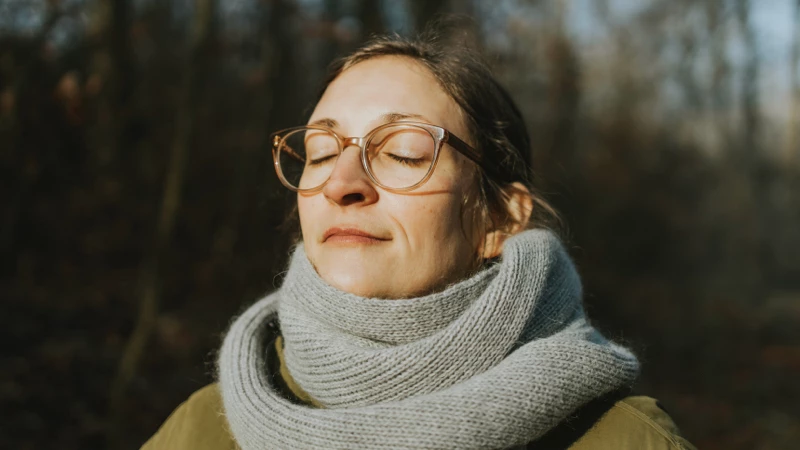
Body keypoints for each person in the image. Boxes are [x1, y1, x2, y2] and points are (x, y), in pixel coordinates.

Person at [142, 27, 696, 450]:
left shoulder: (623, 439)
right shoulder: (199, 429)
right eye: (321, 152)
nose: (342, 183)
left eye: (404, 152)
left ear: (502, 218)